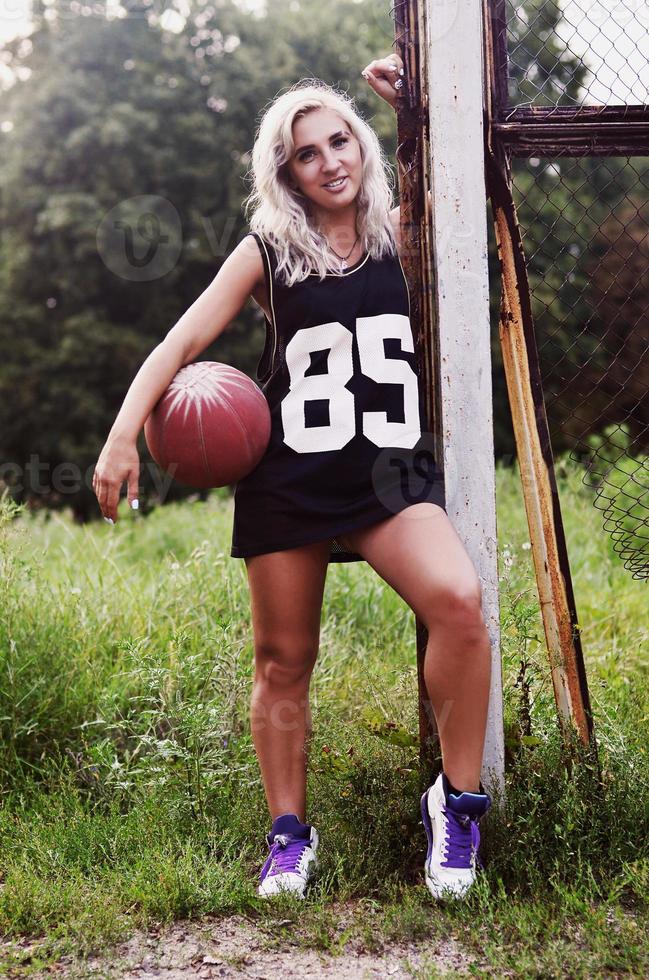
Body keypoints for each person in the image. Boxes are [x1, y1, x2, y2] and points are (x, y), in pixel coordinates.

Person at [92, 53, 492, 903]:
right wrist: (123, 436)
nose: (330, 161)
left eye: (339, 141)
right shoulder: (271, 248)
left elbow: (470, 174)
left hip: (389, 476)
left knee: (458, 604)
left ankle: (455, 805)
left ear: (362, 146)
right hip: (292, 478)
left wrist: (414, 107)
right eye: (307, 154)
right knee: (282, 659)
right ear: (289, 174)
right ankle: (287, 835)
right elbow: (182, 344)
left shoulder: (404, 228)